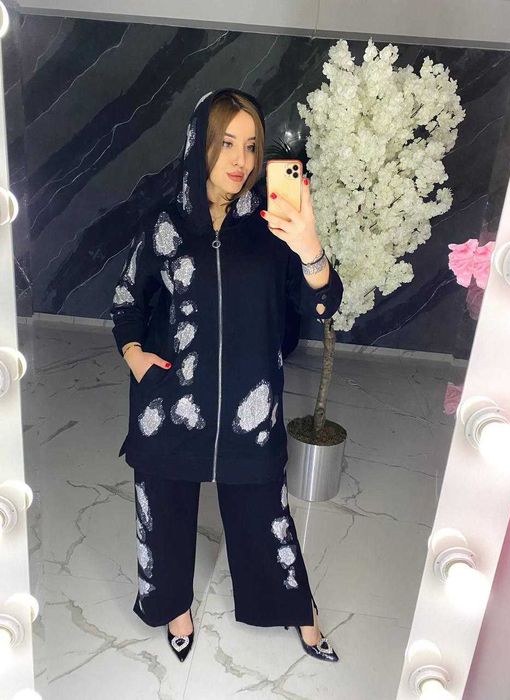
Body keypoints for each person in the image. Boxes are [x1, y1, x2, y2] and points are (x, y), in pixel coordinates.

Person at [109, 88, 344, 663]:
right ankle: (174, 607)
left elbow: (323, 303)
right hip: (171, 403)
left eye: (252, 146)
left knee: (265, 512)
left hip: (249, 409)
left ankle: (296, 608)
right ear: (200, 144)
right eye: (227, 143)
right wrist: (134, 354)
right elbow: (127, 299)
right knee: (163, 511)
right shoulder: (165, 222)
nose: (240, 160)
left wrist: (310, 248)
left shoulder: (273, 226)